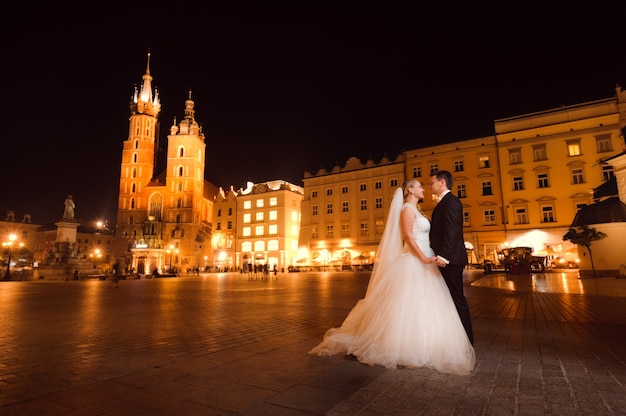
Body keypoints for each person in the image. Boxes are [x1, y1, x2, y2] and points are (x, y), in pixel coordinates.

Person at [309, 180, 475, 375]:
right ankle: (406, 342)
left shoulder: (417, 210)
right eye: (420, 186)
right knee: (408, 303)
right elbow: (408, 236)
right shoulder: (406, 209)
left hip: (425, 256)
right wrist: (423, 257)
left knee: (427, 301)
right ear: (410, 190)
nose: (424, 189)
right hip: (415, 259)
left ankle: (427, 340)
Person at [429, 170, 474, 345]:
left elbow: (453, 231)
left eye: (431, 182)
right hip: (446, 259)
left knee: (457, 298)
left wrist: (444, 256)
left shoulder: (452, 202)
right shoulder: (444, 203)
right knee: (449, 298)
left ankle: (467, 340)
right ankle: (456, 337)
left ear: (442, 183)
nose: (429, 185)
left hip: (451, 260)